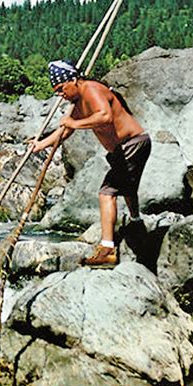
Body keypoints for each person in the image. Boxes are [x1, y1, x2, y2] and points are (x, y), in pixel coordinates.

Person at [32, 60, 151, 268]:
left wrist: (74, 123)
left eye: (61, 89)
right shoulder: (78, 104)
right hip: (122, 150)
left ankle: (107, 250)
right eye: (56, 92)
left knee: (107, 192)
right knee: (128, 187)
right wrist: (40, 145)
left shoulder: (91, 89)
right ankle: (136, 223)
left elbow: (104, 116)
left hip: (131, 144)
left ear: (73, 80)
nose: (61, 94)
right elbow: (65, 132)